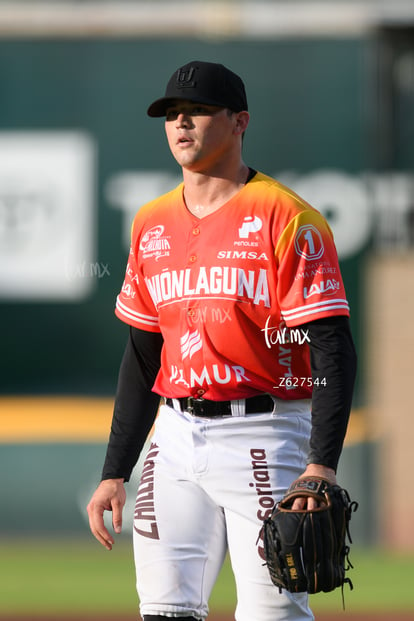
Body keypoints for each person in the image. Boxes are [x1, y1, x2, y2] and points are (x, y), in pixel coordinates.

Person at [87, 60, 357, 621]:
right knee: (164, 610)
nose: (181, 121)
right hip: (175, 435)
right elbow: (143, 356)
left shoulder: (286, 217)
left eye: (199, 110)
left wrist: (321, 464)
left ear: (240, 121)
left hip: (266, 431)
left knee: (272, 612)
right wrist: (115, 471)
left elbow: (332, 350)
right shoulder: (151, 222)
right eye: (170, 113)